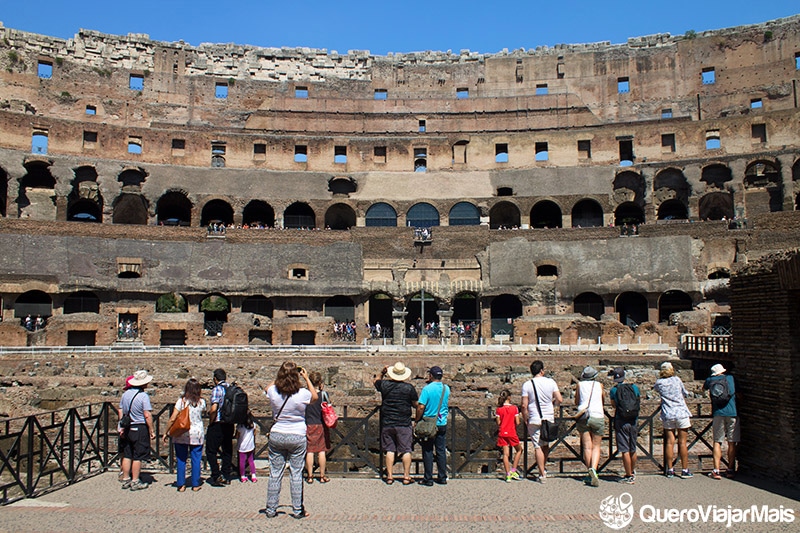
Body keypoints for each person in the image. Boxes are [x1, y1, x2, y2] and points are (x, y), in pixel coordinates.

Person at [264, 361, 317, 519]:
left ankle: (271, 509)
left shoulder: (274, 391)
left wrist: (280, 377)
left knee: (275, 473)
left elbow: (267, 388)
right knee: (296, 474)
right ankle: (297, 510)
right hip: (297, 434)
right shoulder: (302, 393)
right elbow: (314, 396)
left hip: (277, 433)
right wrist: (306, 378)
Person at [374, 362, 419, 485]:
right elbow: (416, 404)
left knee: (389, 450)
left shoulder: (385, 385)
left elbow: (376, 381)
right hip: (403, 422)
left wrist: (382, 373)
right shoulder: (409, 388)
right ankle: (406, 476)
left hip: (388, 421)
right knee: (406, 450)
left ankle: (389, 476)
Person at [521, 360, 563, 483]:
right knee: (545, 445)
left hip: (534, 417)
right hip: (548, 417)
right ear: (542, 371)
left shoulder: (527, 384)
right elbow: (559, 399)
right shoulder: (551, 382)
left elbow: (524, 405)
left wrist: (525, 418)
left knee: (537, 446)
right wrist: (553, 405)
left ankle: (541, 473)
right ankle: (543, 469)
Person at [162, 378, 206, 492]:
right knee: (196, 459)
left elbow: (173, 418)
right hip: (197, 433)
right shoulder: (202, 402)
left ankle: (181, 484)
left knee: (181, 459)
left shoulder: (181, 402)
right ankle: (195, 484)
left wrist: (166, 432)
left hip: (182, 433)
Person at [654, 361, 693, 478]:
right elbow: (685, 393)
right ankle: (685, 469)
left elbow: (656, 390)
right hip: (681, 412)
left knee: (670, 442)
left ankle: (670, 469)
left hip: (668, 413)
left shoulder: (659, 383)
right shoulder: (677, 380)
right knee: (682, 443)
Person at [118, 370, 155, 491]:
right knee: (138, 456)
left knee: (128, 454)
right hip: (139, 427)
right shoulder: (143, 396)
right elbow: (147, 414)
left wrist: (121, 426)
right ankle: (135, 481)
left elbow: (121, 411)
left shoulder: (125, 394)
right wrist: (151, 430)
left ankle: (125, 478)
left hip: (128, 427)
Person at [415, 365, 450, 486]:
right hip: (442, 422)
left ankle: (428, 478)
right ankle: (442, 477)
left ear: (430, 376)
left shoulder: (427, 389)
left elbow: (421, 406)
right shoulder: (446, 388)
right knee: (441, 450)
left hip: (429, 423)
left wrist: (416, 419)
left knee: (428, 450)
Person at [703, 363, 739, 479]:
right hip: (732, 412)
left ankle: (716, 470)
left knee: (717, 441)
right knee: (732, 442)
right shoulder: (730, 378)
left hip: (718, 413)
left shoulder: (710, 380)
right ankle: (730, 469)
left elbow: (704, 389)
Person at [608, 367, 640, 484]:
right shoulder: (634, 387)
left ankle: (628, 475)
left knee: (624, 449)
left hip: (621, 420)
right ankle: (633, 470)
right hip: (633, 419)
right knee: (633, 448)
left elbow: (613, 405)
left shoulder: (614, 390)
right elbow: (638, 400)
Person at [574, 366, 605, 487]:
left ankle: (590, 472)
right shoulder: (599, 385)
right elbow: (602, 399)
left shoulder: (579, 385)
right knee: (596, 446)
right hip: (598, 415)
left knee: (587, 447)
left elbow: (577, 401)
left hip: (583, 416)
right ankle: (594, 470)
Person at [206, 368, 235, 487]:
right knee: (227, 450)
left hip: (218, 423)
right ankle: (226, 475)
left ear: (215, 379)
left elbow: (214, 409)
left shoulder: (217, 389)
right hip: (229, 423)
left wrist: (211, 421)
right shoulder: (231, 389)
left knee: (210, 450)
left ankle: (216, 475)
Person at [304, 371, 331, 484]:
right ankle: (322, 475)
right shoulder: (324, 395)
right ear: (320, 382)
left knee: (309, 451)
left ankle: (310, 476)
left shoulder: (306, 394)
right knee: (321, 451)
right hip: (320, 423)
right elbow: (329, 407)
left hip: (308, 423)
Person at [494, 389, 522, 482]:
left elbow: (498, 422)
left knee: (505, 454)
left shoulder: (499, 409)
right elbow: (517, 422)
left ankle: (508, 474)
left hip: (502, 432)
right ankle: (513, 469)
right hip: (511, 432)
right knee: (519, 450)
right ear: (509, 397)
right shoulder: (514, 408)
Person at [237, 410, 257, 483]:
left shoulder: (240, 427)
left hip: (242, 446)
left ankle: (243, 476)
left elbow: (237, 436)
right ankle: (253, 475)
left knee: (242, 461)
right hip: (250, 445)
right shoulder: (253, 425)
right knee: (251, 460)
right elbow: (255, 433)